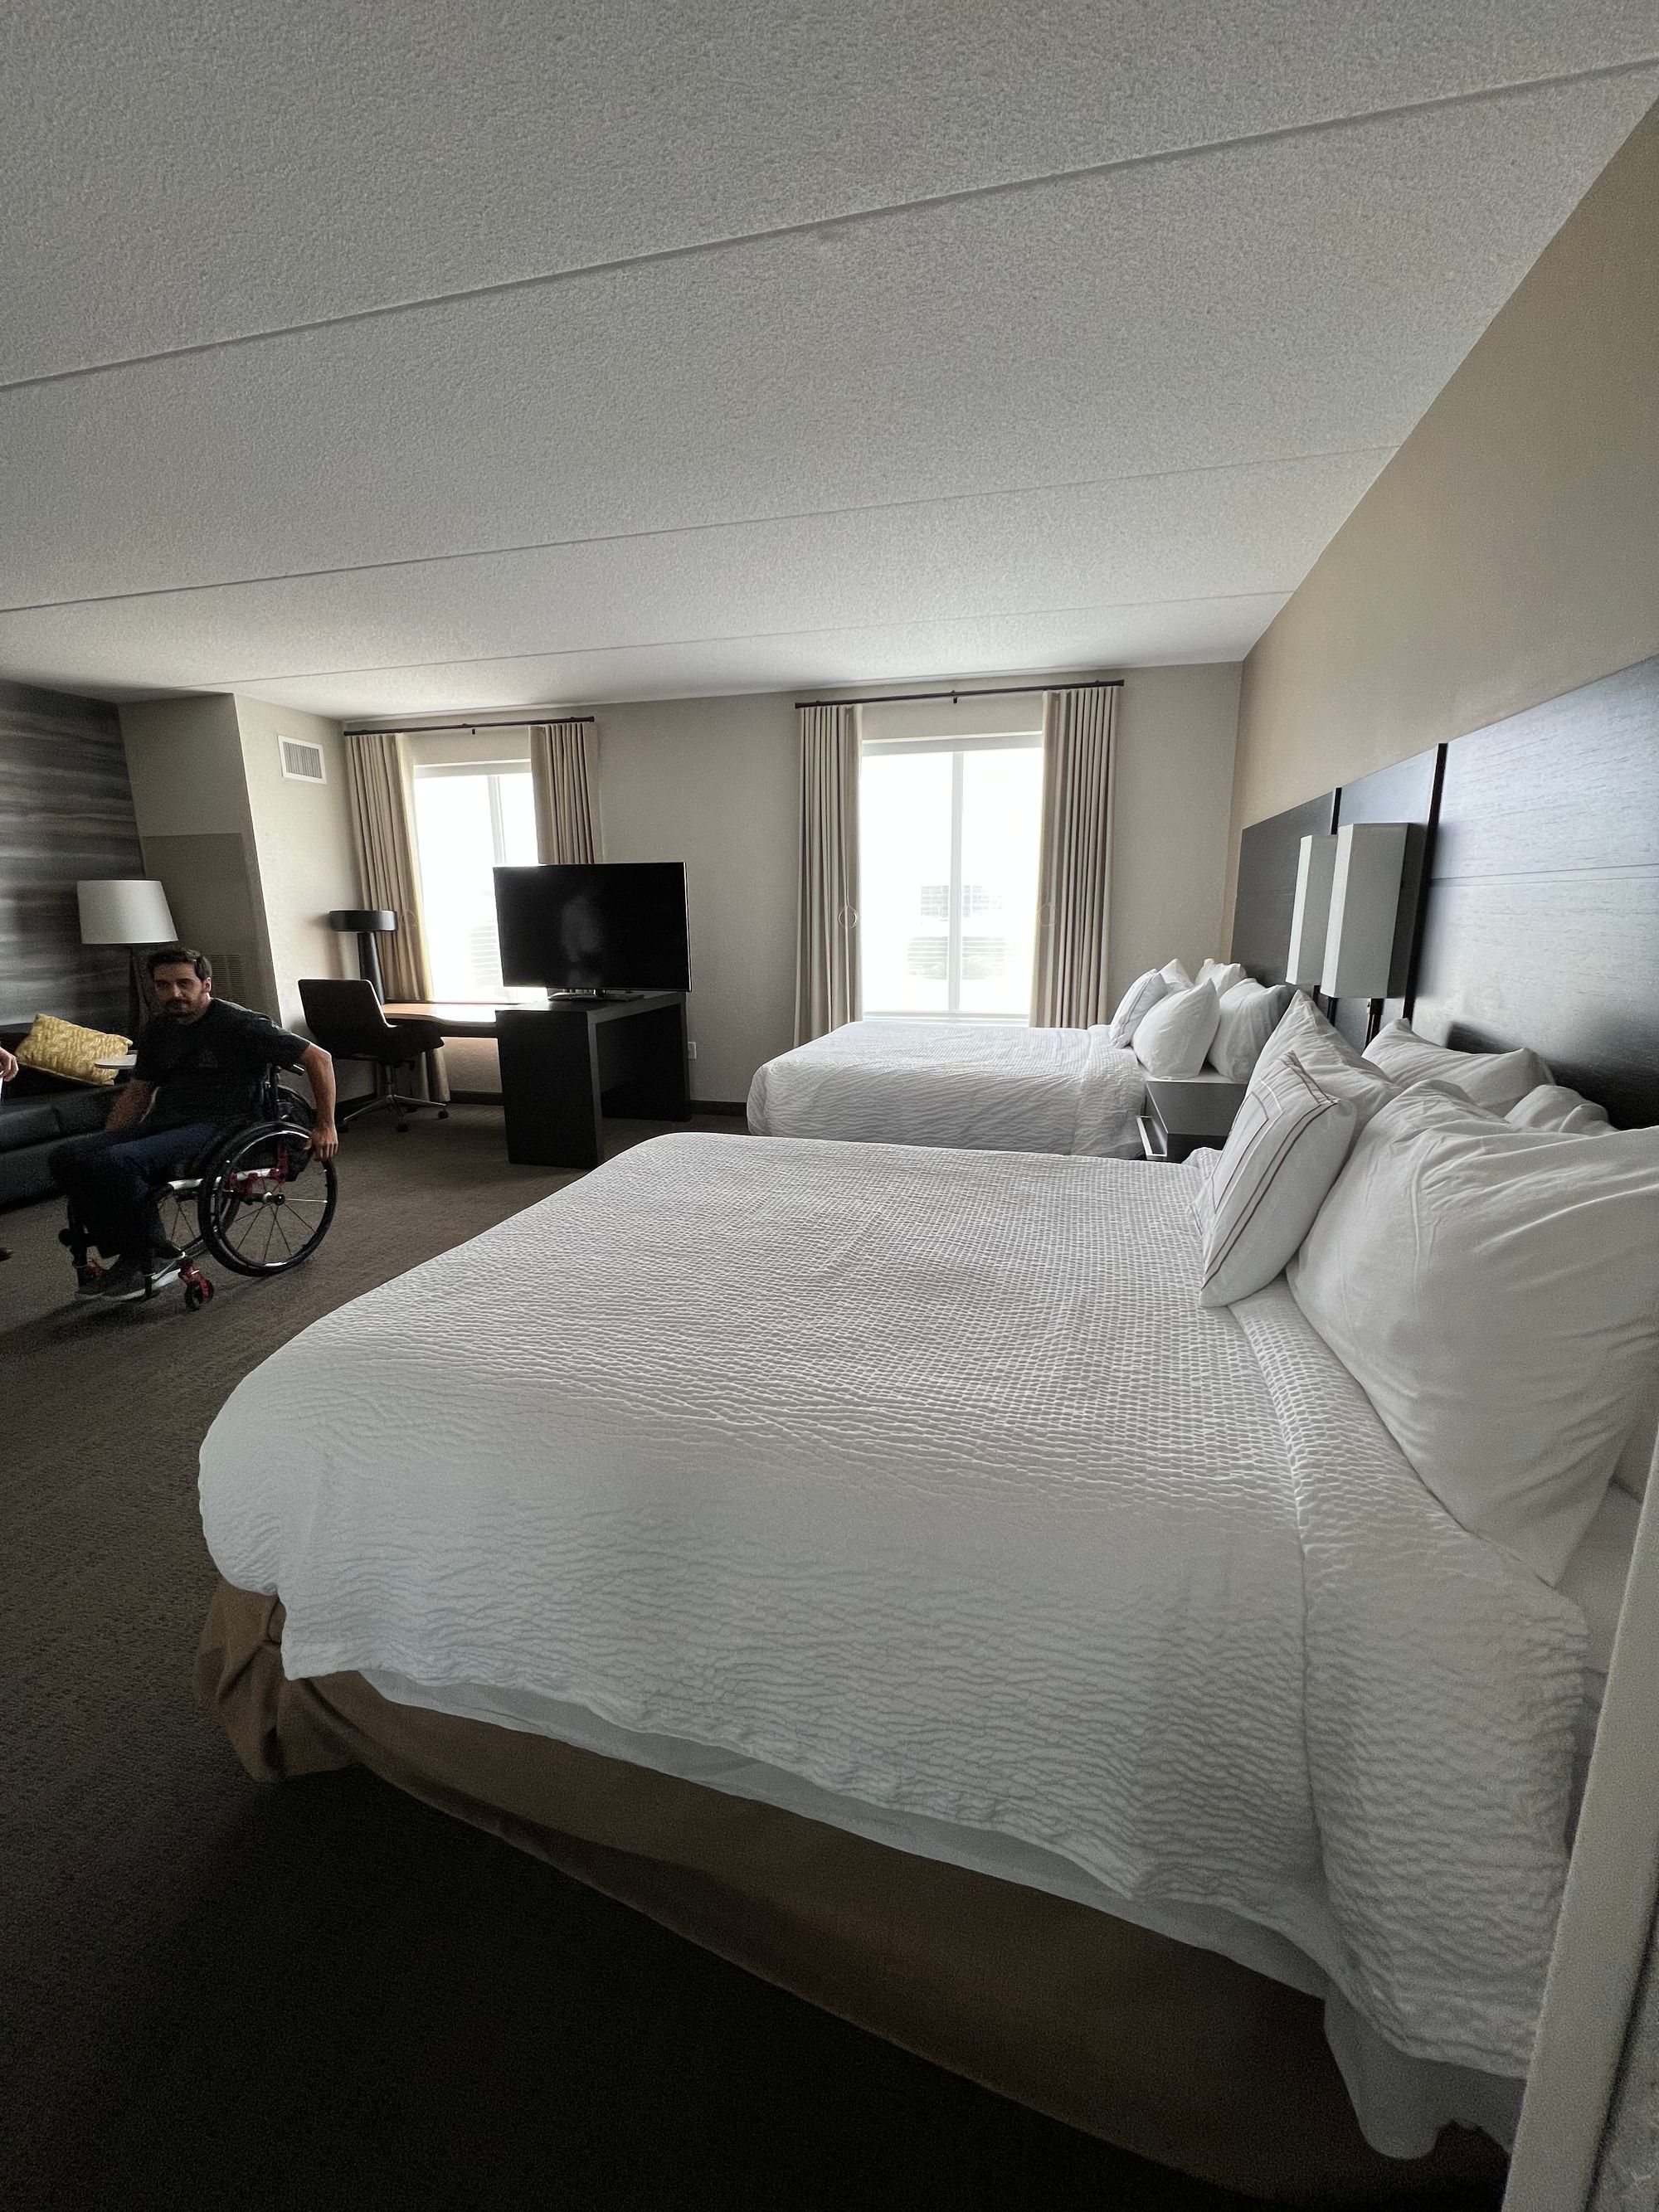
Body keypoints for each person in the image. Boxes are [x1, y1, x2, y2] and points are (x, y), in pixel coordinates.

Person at [49, 947, 338, 1303]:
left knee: (117, 1162)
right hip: (169, 1119)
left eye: (184, 984)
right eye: (164, 985)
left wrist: (326, 1124)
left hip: (223, 1125)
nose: (174, 994)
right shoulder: (159, 1028)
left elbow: (318, 1058)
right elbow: (140, 1091)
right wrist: (111, 1137)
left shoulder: (239, 1024)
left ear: (206, 985)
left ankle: (152, 1254)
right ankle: (131, 1250)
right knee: (68, 1156)